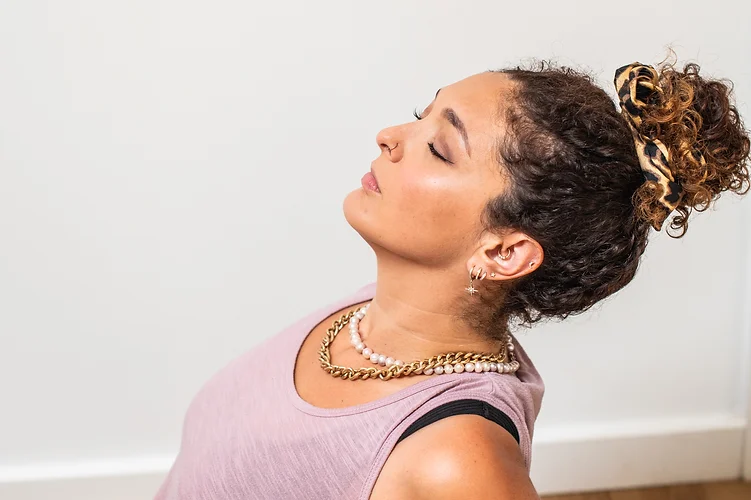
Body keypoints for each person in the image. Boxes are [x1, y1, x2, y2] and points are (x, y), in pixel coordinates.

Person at [154, 51, 750, 500]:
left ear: (504, 252)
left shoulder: (459, 462)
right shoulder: (370, 317)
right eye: (421, 115)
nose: (390, 136)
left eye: (439, 147)